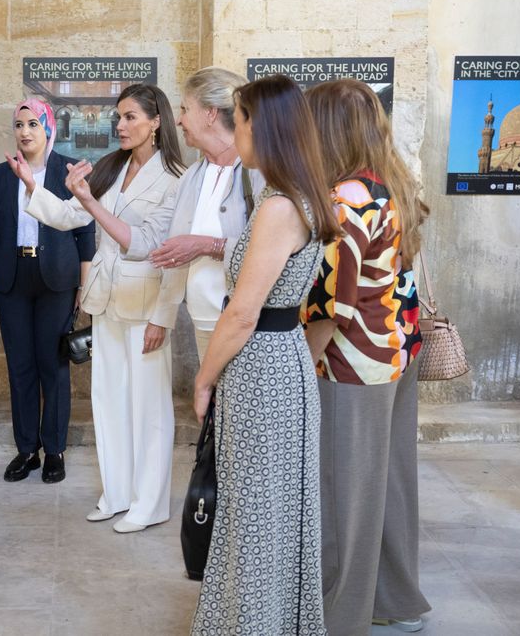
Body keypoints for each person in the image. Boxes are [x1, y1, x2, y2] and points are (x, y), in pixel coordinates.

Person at [191, 75, 341, 635]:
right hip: (278, 366)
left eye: (240, 116)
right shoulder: (294, 196)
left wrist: (204, 379)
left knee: (257, 520)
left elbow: (242, 313)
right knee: (267, 516)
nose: (235, 126)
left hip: (262, 369)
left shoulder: (281, 206)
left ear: (265, 125)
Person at [14, 84, 186, 533]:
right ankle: (116, 494)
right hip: (107, 301)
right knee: (109, 403)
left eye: (130, 117)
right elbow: (74, 215)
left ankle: (149, 504)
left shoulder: (176, 179)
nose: (121, 125)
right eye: (119, 117)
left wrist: (163, 317)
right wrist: (36, 188)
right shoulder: (114, 166)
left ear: (156, 122)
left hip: (147, 305)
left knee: (149, 409)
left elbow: (150, 247)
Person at [302, 79, 432, 634]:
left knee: (344, 493)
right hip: (397, 352)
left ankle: (340, 615)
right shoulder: (389, 184)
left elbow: (333, 302)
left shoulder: (345, 200)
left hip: (351, 362)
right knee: (390, 482)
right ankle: (396, 599)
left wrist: (303, 364)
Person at [0, 99, 95, 484]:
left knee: (53, 366)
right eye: (18, 124)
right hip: (11, 278)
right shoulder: (2, 174)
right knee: (20, 366)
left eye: (32, 123)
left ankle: (54, 450)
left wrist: (85, 285)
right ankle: (27, 450)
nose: (24, 131)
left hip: (57, 280)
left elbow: (84, 231)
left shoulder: (67, 170)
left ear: (47, 127)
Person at [148, 67, 265, 361]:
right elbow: (162, 241)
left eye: (186, 109)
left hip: (246, 323)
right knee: (213, 406)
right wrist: (88, 201)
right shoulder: (192, 176)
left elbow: (272, 249)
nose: (178, 120)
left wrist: (206, 245)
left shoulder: (259, 172)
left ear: (210, 114)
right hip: (202, 318)